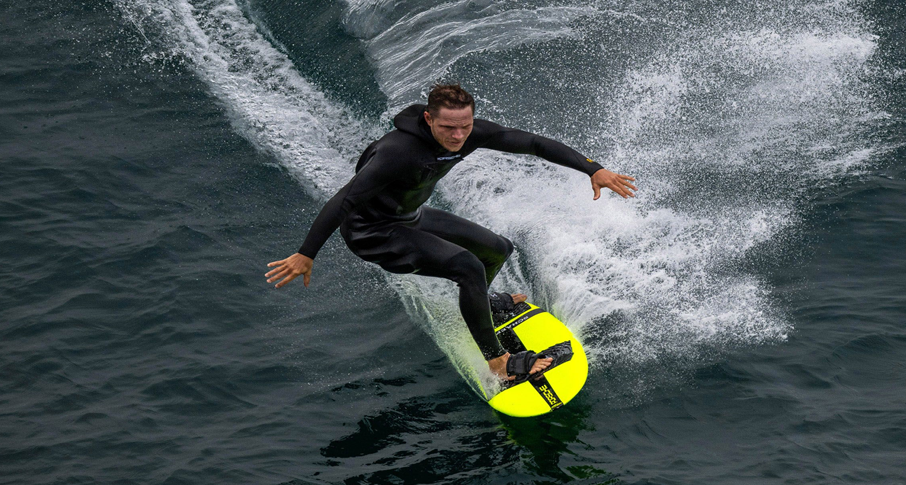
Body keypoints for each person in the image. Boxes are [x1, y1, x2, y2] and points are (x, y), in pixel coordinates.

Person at [265, 83, 636, 381]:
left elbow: (534, 143)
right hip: (373, 233)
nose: (458, 136)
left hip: (408, 216)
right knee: (469, 267)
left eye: (465, 126)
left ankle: (482, 306)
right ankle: (497, 362)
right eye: (448, 127)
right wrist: (306, 253)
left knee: (497, 249)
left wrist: (593, 169)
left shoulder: (468, 133)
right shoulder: (398, 151)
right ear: (428, 119)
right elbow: (344, 200)